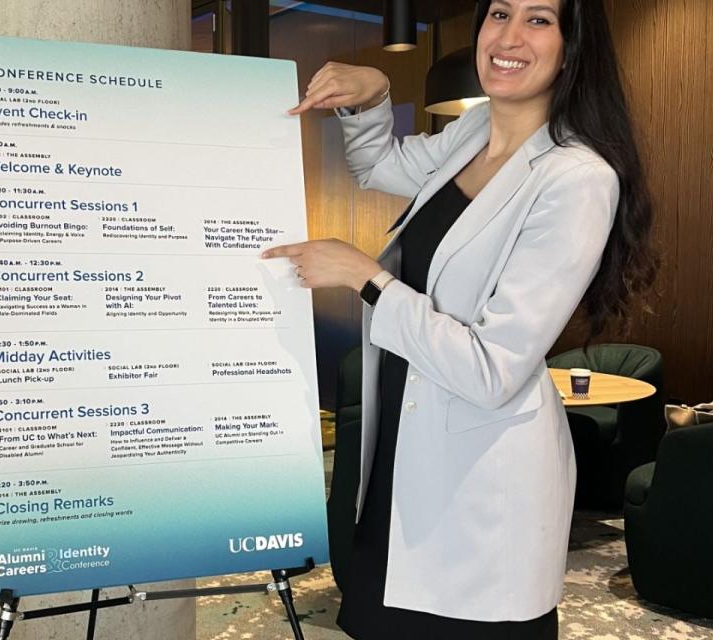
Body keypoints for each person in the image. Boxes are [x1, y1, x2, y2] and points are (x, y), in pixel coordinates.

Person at [262, 0, 656, 637]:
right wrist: (373, 97)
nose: (509, 36)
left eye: (538, 19)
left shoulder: (577, 178)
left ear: (572, 44)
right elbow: (378, 165)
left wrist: (365, 278)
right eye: (499, 12)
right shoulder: (471, 135)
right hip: (400, 448)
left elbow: (492, 368)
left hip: (479, 476)